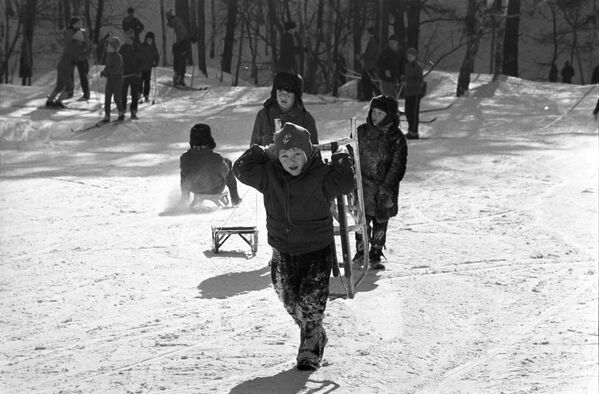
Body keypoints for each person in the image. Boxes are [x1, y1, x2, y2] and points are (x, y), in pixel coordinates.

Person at [233, 122, 355, 370]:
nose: (292, 160)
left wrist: (342, 157)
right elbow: (240, 170)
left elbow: (345, 184)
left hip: (316, 249)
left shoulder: (321, 174)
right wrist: (262, 151)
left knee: (311, 300)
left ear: (309, 153)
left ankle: (310, 346)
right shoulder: (269, 175)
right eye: (285, 155)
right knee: (287, 297)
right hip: (283, 248)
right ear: (277, 156)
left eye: (298, 153)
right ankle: (314, 330)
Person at [352, 95, 407, 270]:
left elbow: (398, 165)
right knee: (362, 221)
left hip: (385, 188)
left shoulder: (396, 138)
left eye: (380, 113)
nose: (375, 116)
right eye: (373, 112)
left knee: (380, 221)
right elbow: (350, 155)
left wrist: (387, 186)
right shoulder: (361, 132)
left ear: (389, 115)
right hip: (363, 186)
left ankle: (376, 253)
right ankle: (361, 253)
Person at [180, 123, 241, 207]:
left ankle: (184, 199)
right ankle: (235, 198)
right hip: (215, 188)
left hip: (194, 188)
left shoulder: (185, 158)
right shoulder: (217, 158)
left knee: (184, 174)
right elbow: (224, 172)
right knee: (227, 164)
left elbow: (185, 176)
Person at [250, 71, 318, 146]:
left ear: (296, 95)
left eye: (288, 92)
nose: (283, 96)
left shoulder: (306, 119)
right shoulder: (264, 115)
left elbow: (314, 152)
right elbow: (254, 151)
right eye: (280, 91)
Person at [45, 23, 85, 108]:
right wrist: (91, 49)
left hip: (63, 67)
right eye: (81, 41)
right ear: (78, 40)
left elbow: (81, 53)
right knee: (69, 87)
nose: (81, 43)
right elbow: (81, 57)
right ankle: (58, 102)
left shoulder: (72, 44)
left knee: (60, 86)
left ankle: (49, 101)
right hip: (65, 68)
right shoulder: (75, 47)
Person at [99, 36, 125, 123]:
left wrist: (107, 73)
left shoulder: (118, 57)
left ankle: (121, 113)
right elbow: (107, 67)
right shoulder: (109, 56)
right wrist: (104, 72)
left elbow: (115, 70)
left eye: (109, 46)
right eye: (107, 46)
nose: (107, 47)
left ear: (114, 47)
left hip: (117, 80)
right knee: (107, 98)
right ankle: (107, 116)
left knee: (117, 98)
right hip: (110, 80)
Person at [119, 29, 142, 120]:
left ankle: (133, 111)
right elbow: (119, 61)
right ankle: (122, 111)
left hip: (135, 75)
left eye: (130, 37)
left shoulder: (137, 47)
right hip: (125, 75)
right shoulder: (123, 48)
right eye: (127, 37)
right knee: (123, 94)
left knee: (134, 95)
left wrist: (139, 71)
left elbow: (141, 61)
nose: (128, 39)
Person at [402, 47, 424, 139]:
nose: (409, 57)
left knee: (414, 113)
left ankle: (414, 132)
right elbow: (406, 77)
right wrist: (403, 79)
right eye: (408, 56)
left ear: (415, 56)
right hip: (408, 92)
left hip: (415, 93)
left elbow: (419, 80)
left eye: (411, 56)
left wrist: (408, 82)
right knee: (408, 112)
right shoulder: (407, 65)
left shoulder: (417, 67)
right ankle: (410, 130)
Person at [165, 9, 190, 87]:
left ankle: (177, 77)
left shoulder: (173, 20)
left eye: (167, 17)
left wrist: (169, 20)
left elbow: (170, 25)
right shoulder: (177, 19)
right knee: (182, 60)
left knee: (178, 60)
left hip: (182, 42)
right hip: (184, 41)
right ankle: (180, 78)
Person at [70, 16, 92, 101]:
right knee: (69, 74)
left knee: (83, 74)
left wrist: (86, 47)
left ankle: (86, 93)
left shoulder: (83, 32)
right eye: (79, 23)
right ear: (73, 24)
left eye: (81, 23)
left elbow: (86, 43)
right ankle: (70, 91)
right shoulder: (69, 32)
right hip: (72, 55)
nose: (81, 24)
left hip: (81, 56)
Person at [359, 28, 380, 101]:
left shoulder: (372, 42)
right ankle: (369, 96)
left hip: (370, 65)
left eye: (367, 33)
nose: (366, 34)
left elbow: (370, 54)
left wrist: (362, 56)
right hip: (370, 64)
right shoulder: (373, 41)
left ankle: (368, 96)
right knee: (368, 80)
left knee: (366, 80)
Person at [139, 32, 160, 103]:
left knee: (147, 82)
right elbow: (138, 55)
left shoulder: (153, 47)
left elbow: (157, 56)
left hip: (148, 67)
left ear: (153, 40)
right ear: (146, 39)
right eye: (148, 39)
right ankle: (139, 94)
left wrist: (156, 62)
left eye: (150, 40)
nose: (149, 41)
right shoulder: (142, 46)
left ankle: (146, 95)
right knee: (140, 81)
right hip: (141, 67)